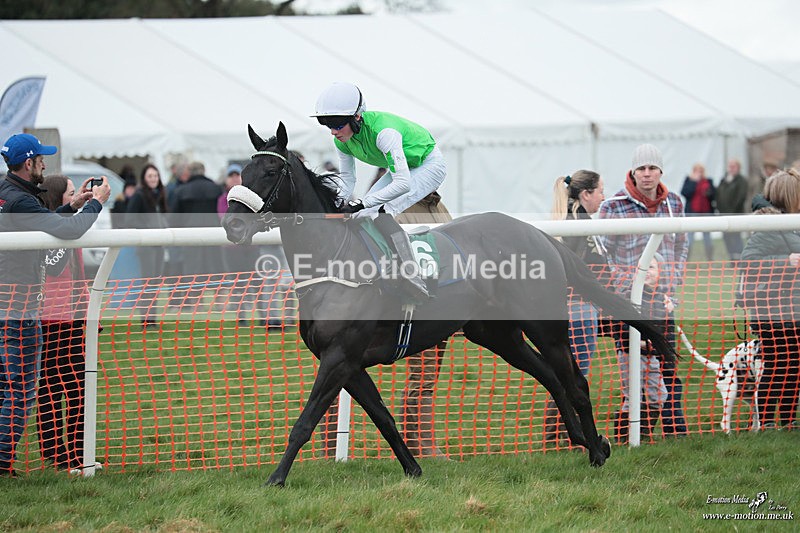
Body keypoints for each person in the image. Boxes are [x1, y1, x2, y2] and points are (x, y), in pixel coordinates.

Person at [0, 133, 110, 476]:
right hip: (19, 310)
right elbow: (71, 232)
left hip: (14, 307)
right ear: (29, 163)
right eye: (41, 159)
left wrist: (72, 205)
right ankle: (1, 464)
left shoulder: (12, 196)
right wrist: (95, 204)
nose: (45, 164)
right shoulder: (19, 200)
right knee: (19, 393)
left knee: (11, 389)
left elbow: (46, 223)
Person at [311, 81, 447, 303]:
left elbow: (403, 184)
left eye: (337, 124)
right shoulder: (342, 141)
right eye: (328, 125)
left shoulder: (384, 133)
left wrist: (363, 202)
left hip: (428, 165)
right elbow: (348, 179)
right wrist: (340, 203)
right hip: (405, 169)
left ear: (356, 117)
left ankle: (413, 276)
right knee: (362, 214)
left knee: (382, 210)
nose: (334, 132)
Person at [599, 143, 689, 441]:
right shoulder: (613, 207)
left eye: (652, 168)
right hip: (630, 305)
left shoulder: (674, 203)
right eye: (641, 169)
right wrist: (632, 283)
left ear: (661, 171)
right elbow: (603, 255)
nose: (647, 174)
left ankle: (673, 434)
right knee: (636, 375)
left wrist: (669, 287)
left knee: (667, 369)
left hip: (663, 303)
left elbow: (680, 247)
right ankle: (629, 436)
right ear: (633, 172)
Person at [543, 170, 606, 445]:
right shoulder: (579, 224)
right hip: (578, 307)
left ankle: (557, 437)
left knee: (564, 372)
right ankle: (564, 437)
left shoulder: (569, 219)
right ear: (586, 194)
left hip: (568, 306)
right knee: (573, 375)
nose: (603, 197)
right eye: (600, 191)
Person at [36, 175, 90, 472]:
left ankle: (70, 452)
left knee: (69, 388)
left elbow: (78, 277)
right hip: (53, 320)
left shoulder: (65, 227)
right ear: (59, 199)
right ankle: (62, 453)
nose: (77, 196)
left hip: (69, 317)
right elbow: (57, 266)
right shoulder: (55, 231)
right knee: (60, 387)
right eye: (72, 192)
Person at [740, 168, 800, 430]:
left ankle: (787, 422)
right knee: (777, 369)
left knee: (793, 369)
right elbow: (748, 262)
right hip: (774, 314)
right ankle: (764, 422)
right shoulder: (768, 226)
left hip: (792, 310)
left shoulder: (790, 224)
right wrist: (785, 262)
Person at [613, 253, 675, 443]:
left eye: (652, 268)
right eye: (643, 267)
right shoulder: (629, 295)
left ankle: (644, 435)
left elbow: (666, 331)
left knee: (659, 396)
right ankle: (623, 438)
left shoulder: (662, 300)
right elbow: (620, 328)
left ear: (660, 273)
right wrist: (638, 342)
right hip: (629, 354)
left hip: (652, 356)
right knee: (632, 397)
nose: (647, 272)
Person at [169, 161, 223, 308]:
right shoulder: (216, 188)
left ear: (190, 172)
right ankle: (218, 302)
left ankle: (197, 303)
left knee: (193, 270)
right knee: (215, 267)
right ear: (204, 170)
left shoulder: (181, 191)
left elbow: (173, 218)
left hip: (190, 236)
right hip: (214, 235)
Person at [217, 163, 261, 325]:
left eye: (237, 175)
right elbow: (226, 219)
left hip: (251, 247)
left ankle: (263, 316)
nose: (235, 178)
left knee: (257, 282)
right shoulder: (223, 199)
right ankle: (242, 317)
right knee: (238, 284)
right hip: (232, 249)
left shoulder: (251, 196)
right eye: (231, 176)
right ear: (227, 179)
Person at [126, 164, 168, 328]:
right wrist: (148, 229)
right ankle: (145, 319)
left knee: (155, 283)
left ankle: (153, 318)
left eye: (155, 176)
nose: (153, 179)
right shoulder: (139, 195)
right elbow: (130, 219)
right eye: (150, 176)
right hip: (146, 246)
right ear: (144, 178)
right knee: (147, 283)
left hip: (159, 244)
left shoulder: (161, 194)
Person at [715, 158, 749, 261]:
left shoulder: (741, 181)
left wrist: (732, 211)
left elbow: (741, 197)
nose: (731, 168)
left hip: (736, 215)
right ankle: (732, 259)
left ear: (738, 168)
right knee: (727, 238)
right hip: (723, 215)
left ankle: (739, 258)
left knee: (736, 238)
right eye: (730, 166)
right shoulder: (724, 180)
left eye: (733, 166)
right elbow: (718, 194)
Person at [681, 163, 716, 261]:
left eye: (700, 171)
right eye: (696, 170)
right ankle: (686, 259)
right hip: (693, 212)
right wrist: (694, 182)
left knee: (707, 238)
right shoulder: (689, 180)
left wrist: (708, 192)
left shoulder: (708, 181)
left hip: (706, 212)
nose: (699, 173)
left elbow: (713, 195)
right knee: (690, 237)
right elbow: (685, 193)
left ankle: (710, 259)